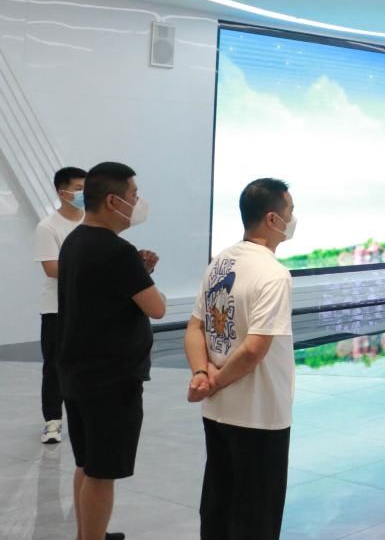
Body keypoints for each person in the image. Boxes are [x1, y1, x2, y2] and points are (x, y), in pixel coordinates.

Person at [57, 161, 165, 540]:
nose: (138, 203)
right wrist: (142, 274)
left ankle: (87, 535)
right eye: (134, 195)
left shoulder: (75, 241)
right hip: (111, 380)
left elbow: (102, 294)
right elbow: (157, 307)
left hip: (78, 373)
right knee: (103, 473)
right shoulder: (118, 251)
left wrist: (138, 272)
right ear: (113, 201)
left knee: (87, 463)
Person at [184, 178, 297, 540]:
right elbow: (253, 349)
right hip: (259, 413)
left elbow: (195, 327)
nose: (293, 219)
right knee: (256, 517)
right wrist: (214, 381)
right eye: (290, 211)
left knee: (219, 507)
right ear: (272, 219)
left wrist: (201, 375)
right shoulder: (273, 274)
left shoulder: (220, 261)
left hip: (217, 410)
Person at [33, 165, 86, 444]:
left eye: (86, 188)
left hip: (89, 307)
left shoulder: (92, 222)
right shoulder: (48, 226)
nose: (84, 194)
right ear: (62, 192)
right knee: (54, 366)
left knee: (87, 363)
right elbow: (52, 268)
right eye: (79, 189)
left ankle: (86, 416)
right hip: (57, 309)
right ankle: (52, 421)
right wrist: (91, 266)